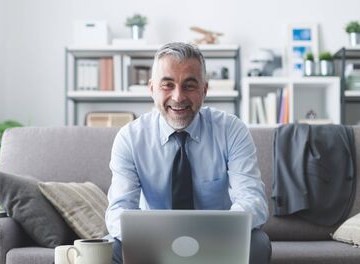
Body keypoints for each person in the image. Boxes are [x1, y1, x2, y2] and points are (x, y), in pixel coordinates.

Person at [105, 42, 271, 264]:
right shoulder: (130, 138)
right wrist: (156, 240)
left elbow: (253, 200)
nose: (178, 96)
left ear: (204, 90)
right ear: (152, 89)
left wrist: (215, 233)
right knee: (111, 248)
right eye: (168, 85)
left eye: (189, 86)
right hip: (151, 243)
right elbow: (119, 211)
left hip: (220, 241)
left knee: (258, 244)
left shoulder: (232, 130)